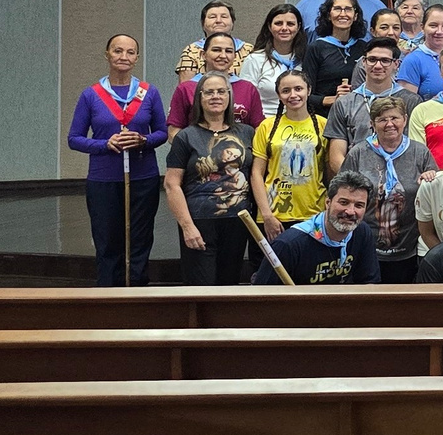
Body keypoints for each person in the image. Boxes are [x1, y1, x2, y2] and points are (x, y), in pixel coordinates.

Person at [69, 34, 167, 287]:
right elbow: (74, 139)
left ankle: (137, 290)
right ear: (107, 54)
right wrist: (105, 144)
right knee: (107, 240)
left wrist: (143, 140)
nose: (124, 56)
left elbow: (162, 133)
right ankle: (108, 294)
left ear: (137, 58)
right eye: (118, 51)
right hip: (103, 178)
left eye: (130, 52)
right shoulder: (91, 95)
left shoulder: (149, 92)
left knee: (140, 238)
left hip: (143, 177)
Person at [163, 73, 254, 285]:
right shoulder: (186, 136)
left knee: (229, 285)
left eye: (221, 91)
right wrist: (187, 226)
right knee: (200, 288)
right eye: (209, 92)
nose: (216, 96)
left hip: (238, 221)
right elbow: (171, 184)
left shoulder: (247, 133)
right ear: (199, 98)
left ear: (229, 97)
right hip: (199, 221)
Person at [341, 94, 427, 282]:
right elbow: (343, 192)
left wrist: (430, 177)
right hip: (367, 247)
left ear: (405, 120)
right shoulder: (358, 153)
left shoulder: (420, 152)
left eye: (395, 118)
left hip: (409, 248)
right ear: (372, 123)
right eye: (382, 119)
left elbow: (433, 191)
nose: (389, 124)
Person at [253, 172, 379, 284]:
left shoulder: (362, 232)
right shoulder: (287, 245)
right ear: (328, 203)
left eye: (359, 205)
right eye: (344, 202)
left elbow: (369, 284)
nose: (351, 211)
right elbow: (263, 297)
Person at [251, 70, 325, 239]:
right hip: (275, 215)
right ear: (278, 95)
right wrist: (267, 215)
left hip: (314, 214)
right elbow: (256, 173)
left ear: (309, 90)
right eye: (286, 91)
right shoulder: (266, 126)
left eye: (298, 89)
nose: (293, 95)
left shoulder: (323, 125)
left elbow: (329, 172)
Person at [324, 38, 406, 173]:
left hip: (399, 179)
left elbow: (414, 151)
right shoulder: (344, 103)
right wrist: (356, 182)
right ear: (363, 62)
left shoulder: (410, 100)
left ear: (396, 64)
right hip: (355, 179)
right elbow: (336, 156)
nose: (378, 66)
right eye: (372, 60)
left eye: (385, 60)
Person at [168, 31, 265, 130]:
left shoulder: (247, 88)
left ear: (235, 56)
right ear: (203, 54)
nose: (223, 55)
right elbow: (174, 130)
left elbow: (258, 128)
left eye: (228, 51)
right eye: (216, 50)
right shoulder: (186, 88)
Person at [238, 4, 306, 110]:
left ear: (298, 27)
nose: (284, 28)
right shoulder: (255, 59)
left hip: (300, 118)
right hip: (266, 118)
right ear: (269, 26)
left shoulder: (306, 58)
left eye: (290, 24)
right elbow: (245, 98)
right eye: (278, 23)